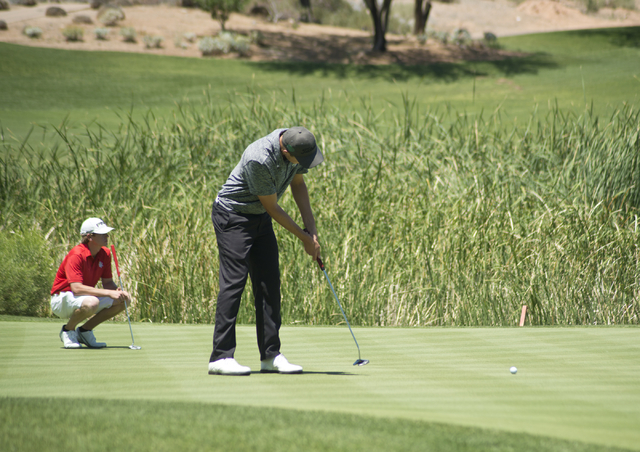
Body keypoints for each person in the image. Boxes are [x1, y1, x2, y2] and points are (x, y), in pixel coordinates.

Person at [208, 126, 323, 376]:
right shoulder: (259, 158)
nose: (303, 164)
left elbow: (298, 184)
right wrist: (304, 239)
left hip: (259, 217)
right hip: (233, 216)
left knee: (269, 284)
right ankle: (220, 357)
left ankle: (270, 356)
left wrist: (311, 231)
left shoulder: (298, 143)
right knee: (234, 283)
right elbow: (273, 207)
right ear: (285, 149)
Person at [50, 218, 131, 349]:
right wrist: (109, 293)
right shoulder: (76, 254)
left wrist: (117, 291)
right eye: (102, 233)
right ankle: (67, 330)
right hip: (62, 299)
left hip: (84, 298)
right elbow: (76, 288)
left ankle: (84, 331)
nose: (107, 236)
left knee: (124, 300)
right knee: (92, 302)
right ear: (90, 237)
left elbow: (108, 282)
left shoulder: (105, 253)